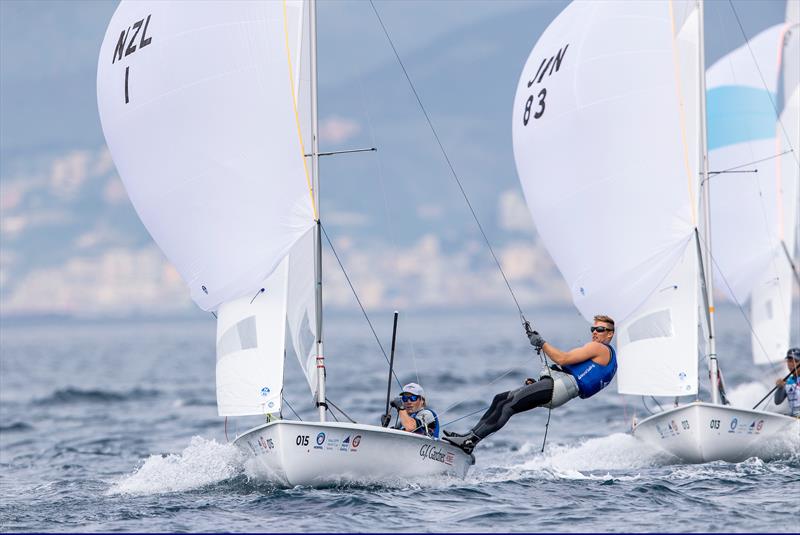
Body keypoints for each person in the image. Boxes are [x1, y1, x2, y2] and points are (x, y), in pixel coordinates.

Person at [443, 315, 618, 453]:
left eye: (600, 329)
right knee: (501, 399)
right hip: (558, 388)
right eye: (593, 328)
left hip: (559, 388)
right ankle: (468, 437)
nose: (595, 332)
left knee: (508, 406)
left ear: (610, 333)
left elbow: (562, 359)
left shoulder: (598, 348)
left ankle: (470, 442)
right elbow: (567, 366)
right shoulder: (608, 358)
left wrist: (541, 343)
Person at [774, 347, 800, 417]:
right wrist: (780, 387)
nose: (792, 364)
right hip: (794, 419)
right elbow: (777, 401)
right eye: (789, 361)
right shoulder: (788, 381)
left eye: (796, 361)